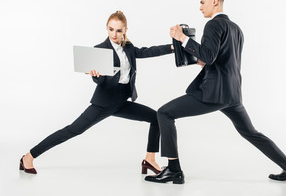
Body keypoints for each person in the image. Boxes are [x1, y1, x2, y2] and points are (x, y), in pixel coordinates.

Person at [145, 0, 286, 184]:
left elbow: (209, 57)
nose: (200, 7)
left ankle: (174, 170)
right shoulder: (237, 29)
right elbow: (218, 59)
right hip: (233, 94)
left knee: (164, 113)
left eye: (202, 2)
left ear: (215, 1)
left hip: (213, 93)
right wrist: (193, 56)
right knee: (251, 133)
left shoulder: (213, 25)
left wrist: (182, 38)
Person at [20, 10, 173, 175]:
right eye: (111, 29)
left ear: (125, 30)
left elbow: (147, 51)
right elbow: (100, 82)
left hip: (121, 102)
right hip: (104, 102)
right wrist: (96, 76)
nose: (114, 34)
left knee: (156, 118)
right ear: (107, 28)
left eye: (118, 30)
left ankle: (149, 159)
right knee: (72, 130)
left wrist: (173, 48)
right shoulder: (100, 50)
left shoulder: (128, 47)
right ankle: (28, 157)